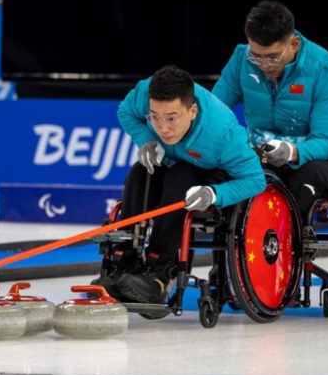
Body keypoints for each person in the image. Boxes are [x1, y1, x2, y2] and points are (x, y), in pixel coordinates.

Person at [93, 65, 265, 305]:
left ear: (192, 110)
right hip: (173, 162)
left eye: (172, 118)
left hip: (209, 175)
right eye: (155, 117)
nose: (162, 127)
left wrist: (215, 193)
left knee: (182, 177)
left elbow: (256, 180)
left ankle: (159, 272)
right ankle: (124, 262)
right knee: (140, 172)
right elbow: (126, 112)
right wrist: (146, 141)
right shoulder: (146, 93)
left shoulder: (223, 134)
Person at [211, 0, 328, 225]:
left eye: (272, 57)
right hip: (260, 153)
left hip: (314, 160)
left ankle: (289, 248)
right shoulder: (241, 60)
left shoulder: (326, 69)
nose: (264, 64)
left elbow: (324, 141)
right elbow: (214, 114)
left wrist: (291, 151)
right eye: (257, 56)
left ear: (293, 44)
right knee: (225, 173)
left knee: (305, 180)